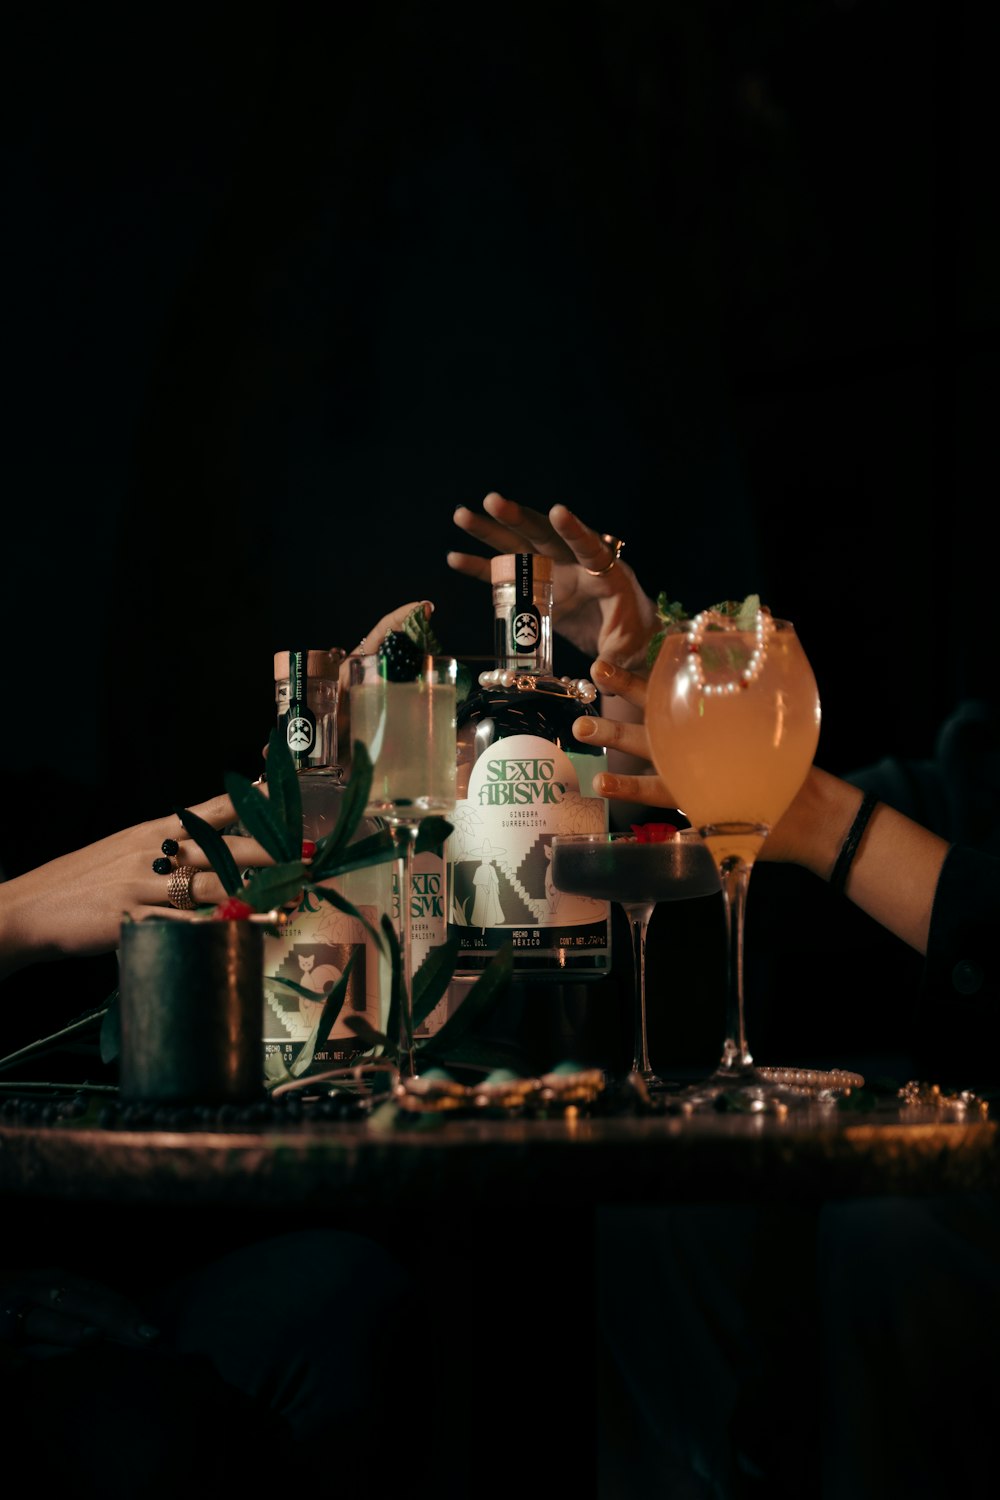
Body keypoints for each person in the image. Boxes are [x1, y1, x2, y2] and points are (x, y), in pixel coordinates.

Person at [0, 599, 434, 1499]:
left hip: (94, 1253)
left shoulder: (42, 802)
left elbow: (198, 882)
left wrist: (316, 803)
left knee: (341, 1290)